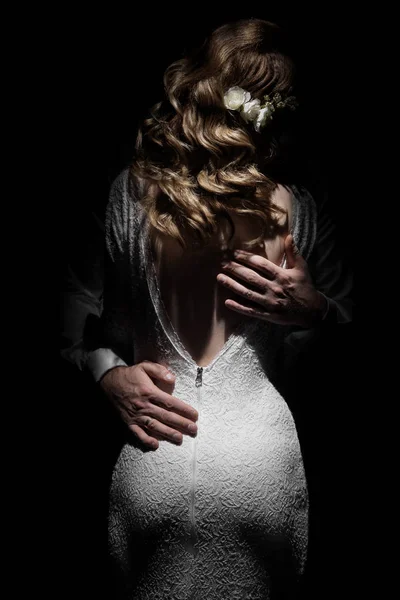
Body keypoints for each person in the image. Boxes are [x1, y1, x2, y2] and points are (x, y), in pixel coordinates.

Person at [61, 18, 352, 599]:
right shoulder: (295, 209)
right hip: (261, 461)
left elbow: (66, 313)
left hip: (153, 458)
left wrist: (103, 369)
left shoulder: (129, 196)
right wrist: (319, 310)